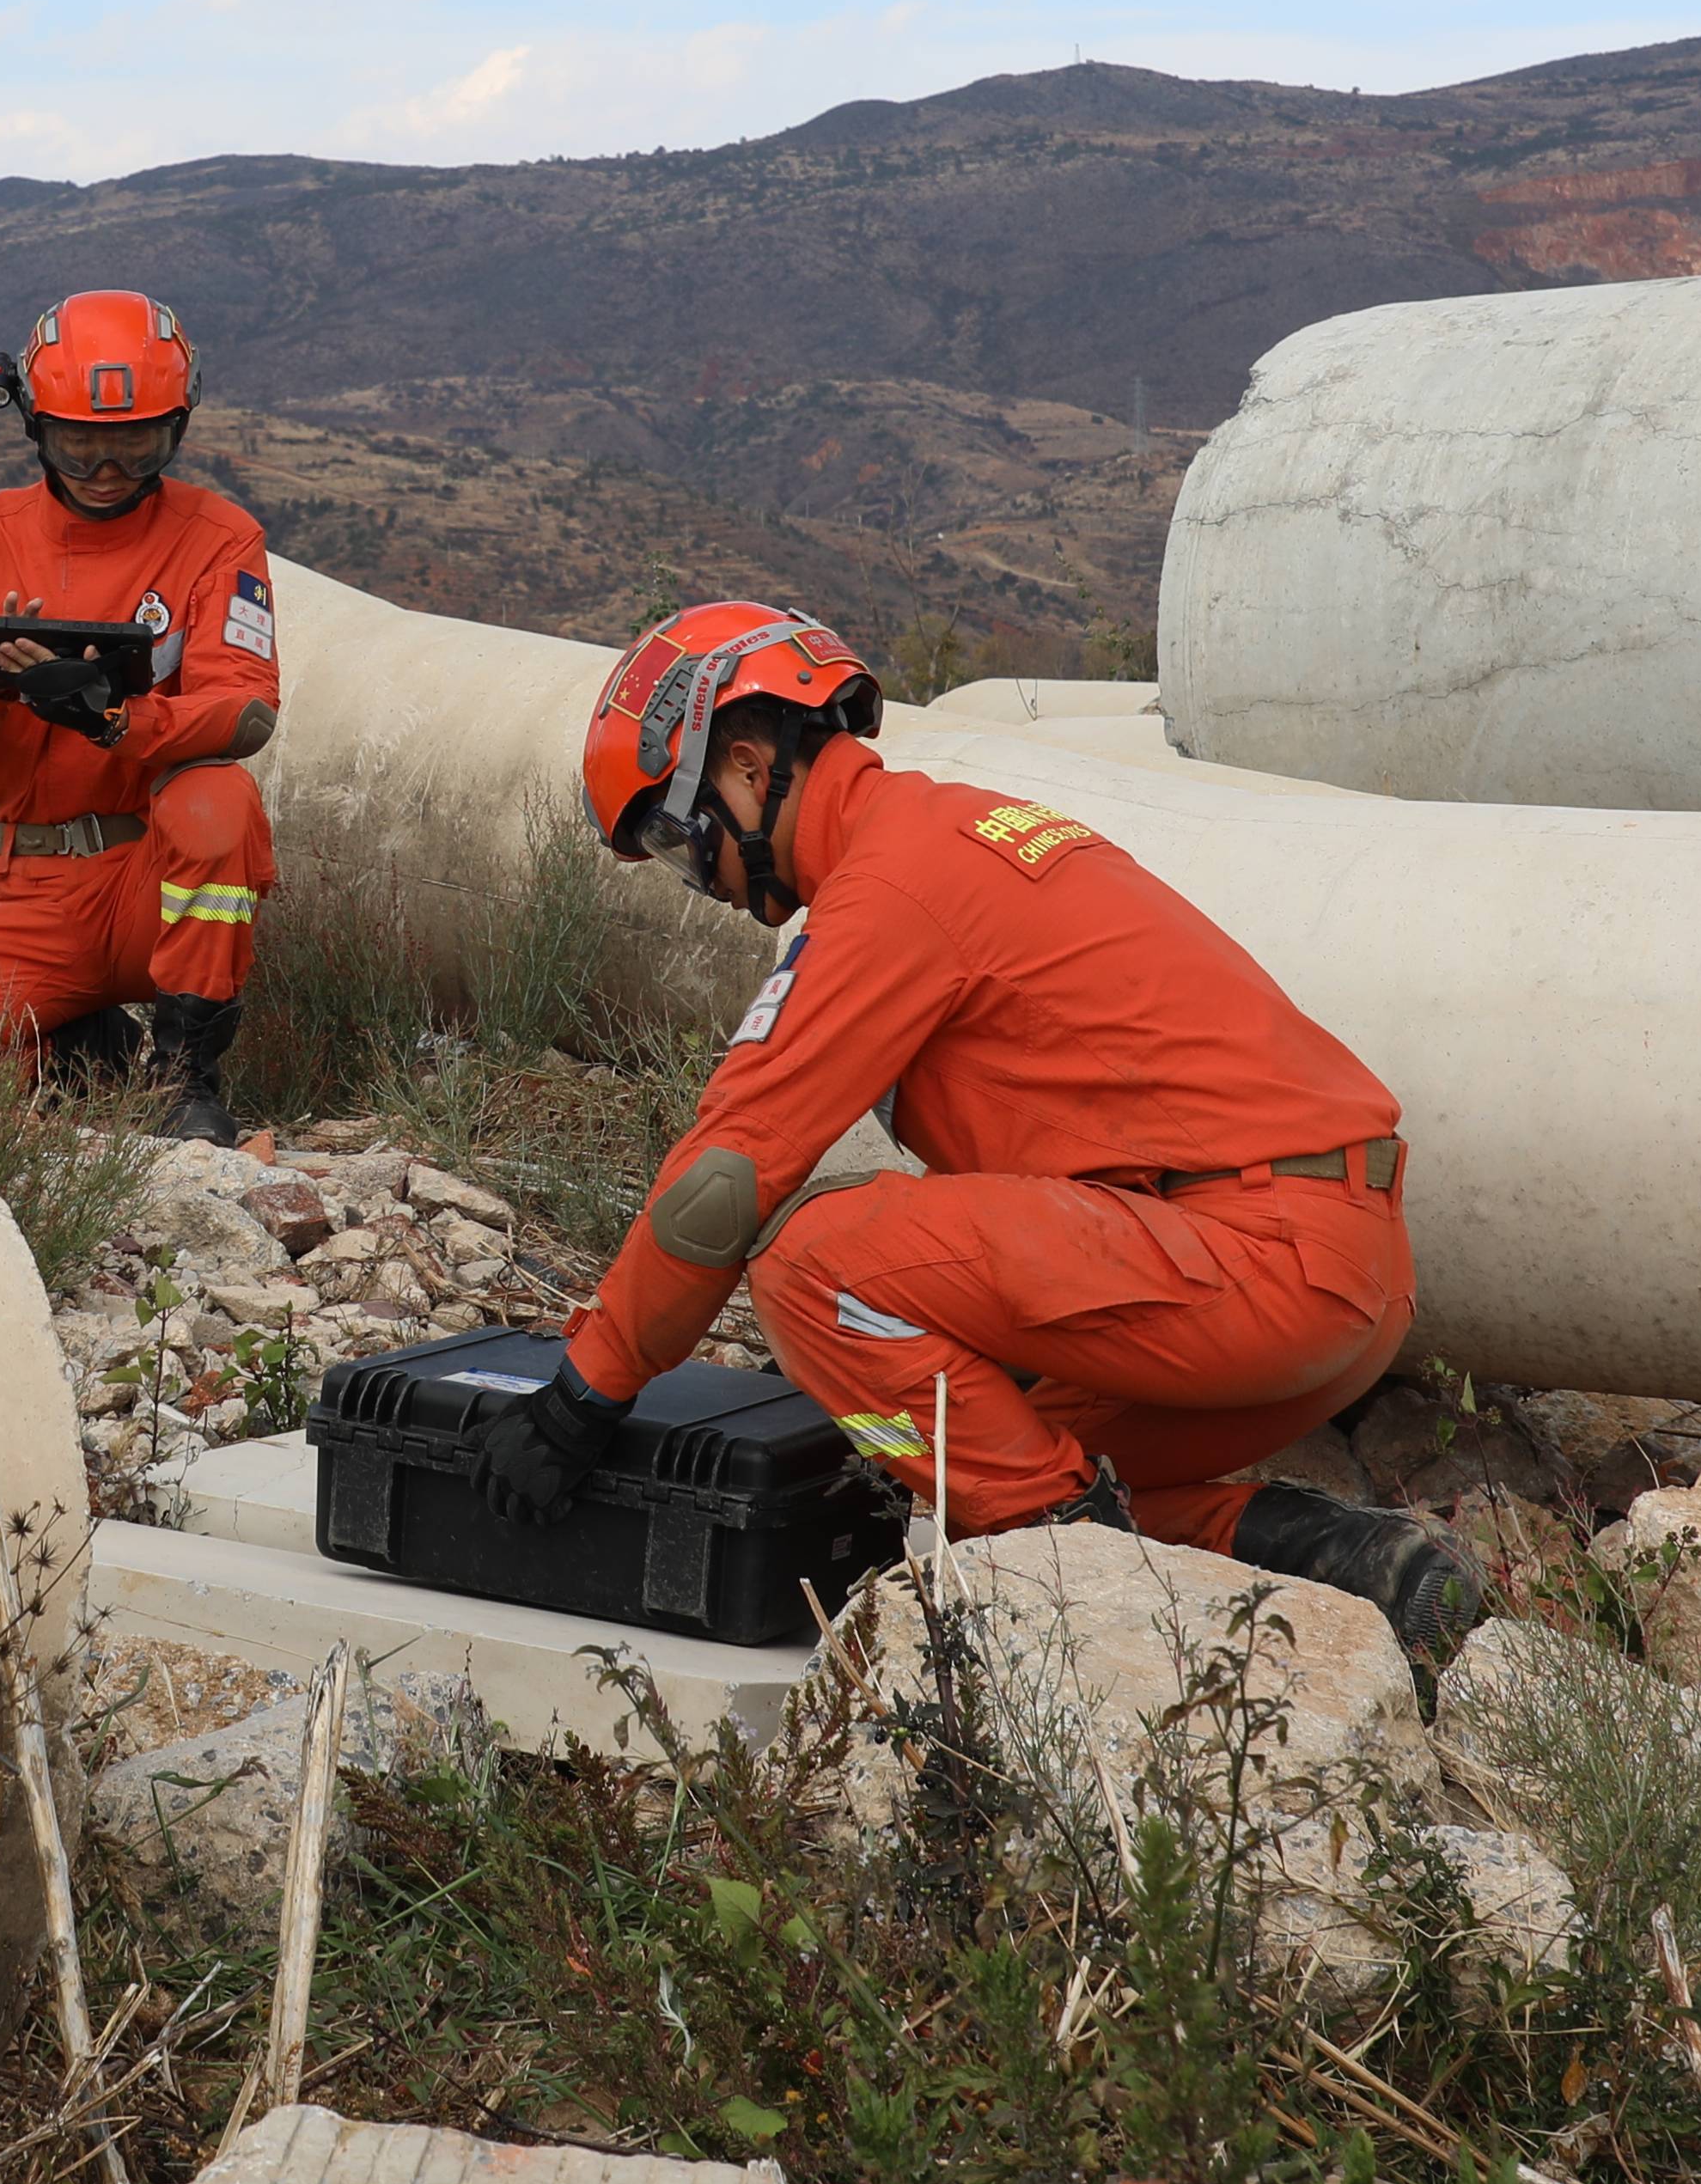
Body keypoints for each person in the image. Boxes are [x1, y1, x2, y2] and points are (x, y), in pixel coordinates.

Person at [483, 600, 1485, 1658]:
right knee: (968, 1455)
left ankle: (1084, 1581)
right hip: (1338, 1277)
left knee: (815, 1272)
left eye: (686, 850)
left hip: (1250, 1263)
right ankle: (1339, 1560)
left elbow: (723, 1183)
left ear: (742, 767)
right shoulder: (959, 830)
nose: (711, 890)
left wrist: (578, 1401)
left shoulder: (889, 890)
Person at [0, 289, 282, 1144]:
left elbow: (246, 711)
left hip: (154, 878)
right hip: (33, 883)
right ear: (34, 425)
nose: (107, 469)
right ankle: (84, 1049)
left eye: (136, 445)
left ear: (177, 427)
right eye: (80, 444)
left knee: (218, 800)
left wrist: (117, 723)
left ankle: (184, 1083)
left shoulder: (221, 537)